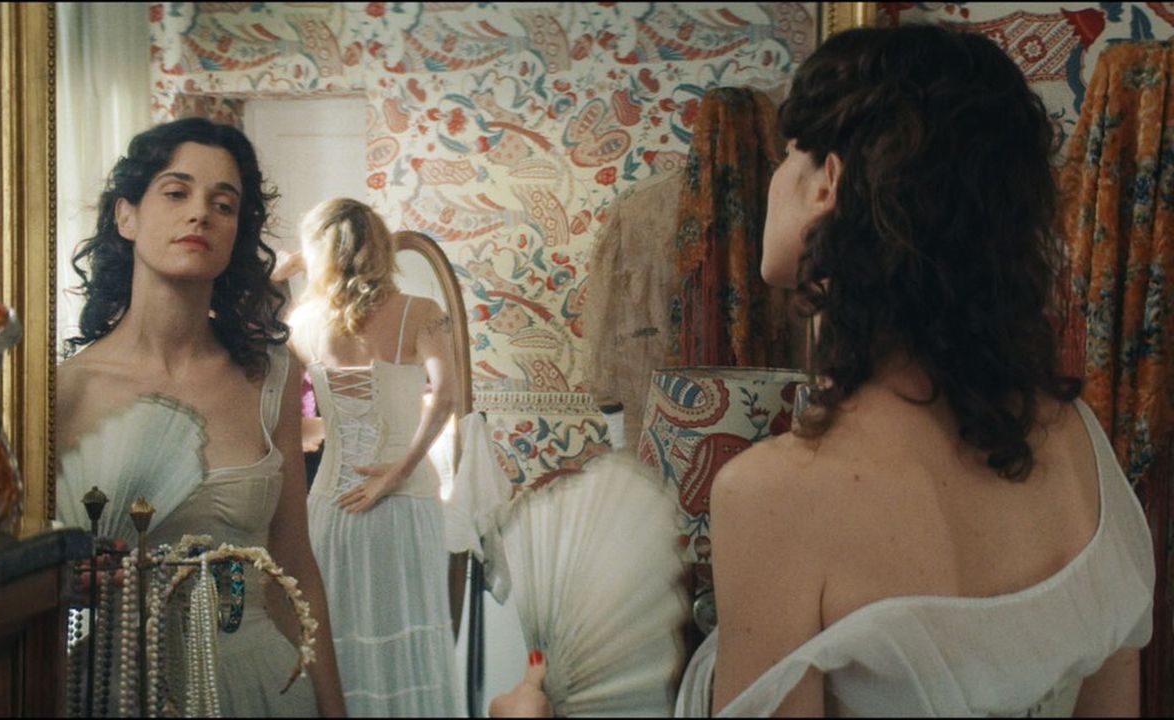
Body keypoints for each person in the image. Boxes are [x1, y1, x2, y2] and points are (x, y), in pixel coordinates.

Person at [493, 24, 1155, 718]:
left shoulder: (775, 493)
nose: (776, 177)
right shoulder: (1078, 443)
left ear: (827, 184)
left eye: (789, 154)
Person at [55, 117, 347, 717]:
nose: (200, 215)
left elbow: (294, 560)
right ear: (126, 216)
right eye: (176, 192)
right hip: (119, 690)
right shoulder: (63, 391)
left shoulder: (271, 374)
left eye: (223, 204)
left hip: (261, 684)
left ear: (237, 232)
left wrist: (333, 708)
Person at [289, 197, 461, 716]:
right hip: (405, 502)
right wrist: (397, 472)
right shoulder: (421, 311)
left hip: (331, 504)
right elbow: (446, 397)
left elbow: (282, 419)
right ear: (381, 247)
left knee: (337, 635)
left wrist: (279, 273)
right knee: (409, 638)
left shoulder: (301, 322)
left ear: (317, 251)